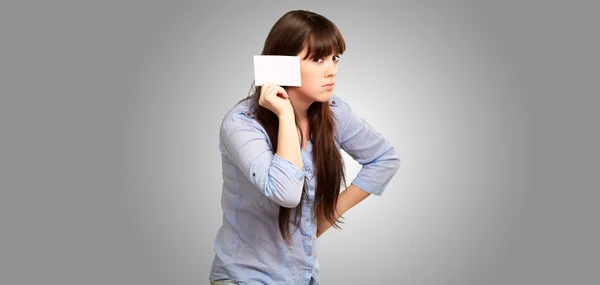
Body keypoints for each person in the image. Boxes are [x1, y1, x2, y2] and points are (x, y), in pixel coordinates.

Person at [209, 10, 400, 285]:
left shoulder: (332, 112)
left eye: (335, 58)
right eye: (318, 59)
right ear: (279, 65)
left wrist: (326, 214)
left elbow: (384, 159)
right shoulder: (241, 124)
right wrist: (285, 115)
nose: (331, 69)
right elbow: (286, 194)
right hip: (244, 278)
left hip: (302, 278)